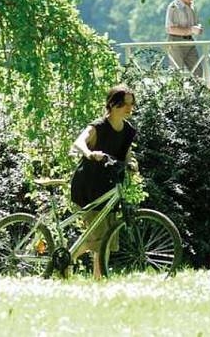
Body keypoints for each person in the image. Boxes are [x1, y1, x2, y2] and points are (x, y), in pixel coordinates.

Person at [70, 85, 138, 279]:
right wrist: (90, 153)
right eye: (124, 103)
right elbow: (79, 142)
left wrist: (131, 164)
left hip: (110, 186)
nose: (129, 108)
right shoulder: (98, 127)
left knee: (106, 239)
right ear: (111, 103)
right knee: (99, 237)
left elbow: (126, 155)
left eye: (131, 104)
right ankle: (68, 259)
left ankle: (97, 278)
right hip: (89, 186)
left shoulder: (128, 131)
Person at [165, 0, 204, 77]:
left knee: (198, 70)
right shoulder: (173, 7)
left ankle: (196, 92)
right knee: (177, 72)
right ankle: (178, 92)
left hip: (190, 41)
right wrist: (190, 30)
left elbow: (196, 23)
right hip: (175, 42)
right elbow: (170, 29)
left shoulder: (192, 6)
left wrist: (198, 28)